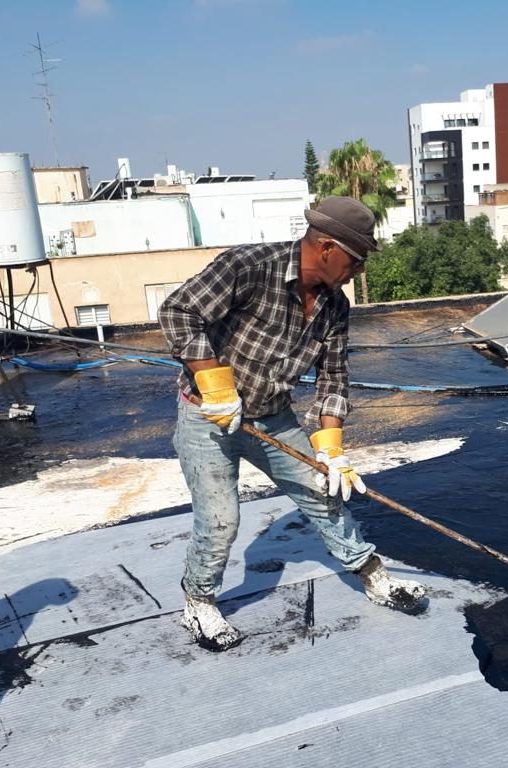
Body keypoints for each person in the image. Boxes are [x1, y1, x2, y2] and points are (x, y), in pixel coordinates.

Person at [158, 196, 427, 651]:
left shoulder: (335, 307)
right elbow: (179, 311)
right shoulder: (248, 266)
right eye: (355, 260)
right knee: (221, 520)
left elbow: (334, 375)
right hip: (208, 415)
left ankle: (371, 574)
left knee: (324, 491)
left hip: (271, 417)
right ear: (326, 247)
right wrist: (213, 381)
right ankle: (199, 600)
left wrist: (332, 448)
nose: (358, 271)